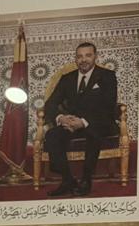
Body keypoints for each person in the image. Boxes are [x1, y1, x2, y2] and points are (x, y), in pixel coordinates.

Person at [42, 42, 119, 197]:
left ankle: (86, 180)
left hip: (99, 123)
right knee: (52, 135)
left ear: (95, 57)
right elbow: (50, 104)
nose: (83, 60)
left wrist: (83, 122)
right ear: (76, 59)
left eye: (88, 55)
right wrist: (62, 118)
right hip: (72, 124)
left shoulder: (107, 76)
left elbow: (108, 106)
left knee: (93, 132)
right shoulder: (67, 78)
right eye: (79, 56)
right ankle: (67, 180)